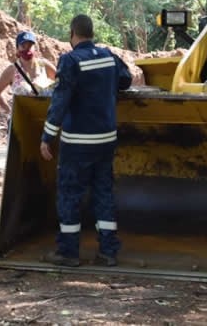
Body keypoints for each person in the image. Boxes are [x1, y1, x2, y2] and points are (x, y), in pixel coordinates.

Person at [39, 14, 132, 268]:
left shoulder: (70, 61)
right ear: (91, 33)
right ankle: (108, 252)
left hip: (78, 142)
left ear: (73, 34)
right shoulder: (108, 56)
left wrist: (47, 136)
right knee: (103, 192)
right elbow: (126, 80)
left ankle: (68, 253)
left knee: (70, 193)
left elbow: (60, 101)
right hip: (106, 140)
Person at [0, 31, 58, 114]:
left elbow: (61, 83)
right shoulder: (12, 70)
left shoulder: (44, 65)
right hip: (22, 119)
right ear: (17, 48)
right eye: (23, 46)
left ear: (35, 47)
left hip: (44, 116)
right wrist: (9, 110)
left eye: (30, 45)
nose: (27, 49)